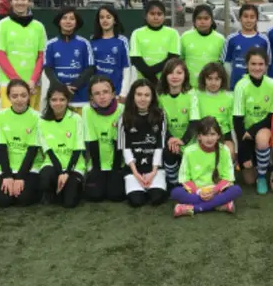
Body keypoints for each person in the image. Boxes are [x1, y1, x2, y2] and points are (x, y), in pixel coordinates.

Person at [172, 117, 243, 217]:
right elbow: (184, 178)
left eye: (213, 134)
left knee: (236, 190)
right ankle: (219, 205)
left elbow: (228, 178)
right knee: (176, 192)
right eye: (205, 134)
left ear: (218, 135)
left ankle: (193, 208)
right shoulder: (189, 151)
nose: (209, 139)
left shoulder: (224, 150)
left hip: (217, 191)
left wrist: (214, 191)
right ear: (199, 136)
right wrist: (198, 191)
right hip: (196, 191)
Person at [0, 0, 47, 110]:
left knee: (31, 121)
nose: (20, 2)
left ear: (29, 1)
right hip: (9, 84)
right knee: (12, 120)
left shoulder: (39, 26)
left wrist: (33, 80)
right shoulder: (2, 24)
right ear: (11, 1)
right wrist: (16, 81)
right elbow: (0, 54)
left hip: (32, 85)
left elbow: (41, 56)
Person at [232, 47, 273, 193]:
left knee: (262, 139)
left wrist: (253, 130)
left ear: (266, 65)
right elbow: (237, 119)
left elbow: (272, 115)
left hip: (261, 129)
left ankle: (262, 176)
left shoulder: (272, 85)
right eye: (253, 64)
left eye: (261, 64)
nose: (257, 68)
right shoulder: (241, 85)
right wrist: (243, 150)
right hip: (244, 134)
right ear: (247, 65)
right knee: (249, 180)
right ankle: (256, 161)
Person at [117, 79, 168, 207]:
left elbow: (160, 146)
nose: (142, 99)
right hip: (134, 168)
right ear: (133, 96)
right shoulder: (124, 117)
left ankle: (156, 183)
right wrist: (136, 173)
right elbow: (125, 148)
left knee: (157, 198)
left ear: (152, 97)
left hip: (154, 167)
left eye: (147, 95)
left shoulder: (160, 115)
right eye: (139, 94)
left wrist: (153, 171)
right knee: (136, 201)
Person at [0, 79, 43, 207]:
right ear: (8, 97)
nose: (19, 99)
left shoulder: (37, 117)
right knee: (2, 201)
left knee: (23, 199)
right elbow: (1, 148)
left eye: (23, 95)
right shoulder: (0, 116)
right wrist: (7, 175)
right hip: (8, 167)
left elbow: (32, 151)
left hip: (30, 167)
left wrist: (20, 177)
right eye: (15, 96)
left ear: (29, 96)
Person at [38, 85, 86, 208]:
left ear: (67, 100)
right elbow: (48, 151)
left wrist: (67, 172)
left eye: (62, 99)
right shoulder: (42, 121)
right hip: (52, 164)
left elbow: (78, 149)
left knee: (69, 203)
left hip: (74, 166)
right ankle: (51, 190)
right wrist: (61, 171)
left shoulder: (76, 119)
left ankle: (70, 188)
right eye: (54, 100)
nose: (58, 103)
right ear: (49, 101)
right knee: (45, 179)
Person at [157, 58, 201, 188]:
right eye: (171, 72)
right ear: (165, 76)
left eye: (179, 72)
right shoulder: (160, 96)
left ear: (185, 75)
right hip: (170, 141)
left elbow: (195, 122)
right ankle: (173, 183)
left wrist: (182, 140)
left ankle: (185, 181)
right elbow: (160, 123)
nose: (175, 76)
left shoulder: (191, 94)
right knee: (168, 152)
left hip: (189, 141)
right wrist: (171, 139)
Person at [83, 76, 126, 202]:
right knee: (95, 196)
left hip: (116, 162)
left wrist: (115, 170)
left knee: (116, 196)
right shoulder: (87, 110)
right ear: (91, 97)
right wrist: (97, 170)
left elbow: (119, 141)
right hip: (97, 162)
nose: (102, 97)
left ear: (113, 94)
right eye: (97, 93)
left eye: (105, 92)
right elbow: (92, 141)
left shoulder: (122, 109)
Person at [44, 7, 95, 111]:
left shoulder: (84, 43)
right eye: (64, 18)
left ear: (76, 22)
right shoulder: (50, 44)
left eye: (72, 18)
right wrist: (61, 88)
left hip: (80, 98)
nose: (68, 21)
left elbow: (90, 68)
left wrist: (73, 86)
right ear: (59, 21)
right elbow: (48, 69)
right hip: (58, 98)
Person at [129, 0, 180, 87]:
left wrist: (157, 81)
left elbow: (172, 58)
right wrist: (154, 80)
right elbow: (136, 59)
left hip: (166, 83)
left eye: (159, 14)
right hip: (143, 84)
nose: (156, 17)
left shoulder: (173, 33)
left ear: (164, 16)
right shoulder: (137, 33)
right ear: (146, 16)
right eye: (152, 14)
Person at [221, 4, 271, 90]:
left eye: (252, 17)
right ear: (240, 18)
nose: (248, 20)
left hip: (256, 88)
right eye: (245, 16)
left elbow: (267, 64)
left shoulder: (264, 40)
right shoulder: (231, 39)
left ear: (256, 19)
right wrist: (234, 76)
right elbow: (226, 63)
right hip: (236, 86)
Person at [90, 5, 131, 102]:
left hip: (116, 94)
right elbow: (90, 70)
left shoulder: (122, 41)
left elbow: (127, 68)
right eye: (102, 17)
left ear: (114, 20)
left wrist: (123, 92)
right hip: (98, 94)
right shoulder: (92, 40)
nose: (105, 20)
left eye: (108, 17)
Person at [196, 63, 235, 161]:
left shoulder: (229, 97)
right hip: (204, 135)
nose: (213, 83)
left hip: (224, 135)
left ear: (222, 80)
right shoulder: (196, 96)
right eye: (209, 78)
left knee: (229, 151)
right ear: (204, 79)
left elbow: (233, 125)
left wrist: (236, 148)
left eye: (217, 79)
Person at [180, 5, 225, 81]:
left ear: (212, 20)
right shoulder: (185, 37)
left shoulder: (220, 39)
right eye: (199, 18)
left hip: (212, 85)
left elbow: (223, 64)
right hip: (189, 85)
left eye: (206, 18)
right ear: (194, 21)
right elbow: (179, 60)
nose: (202, 22)